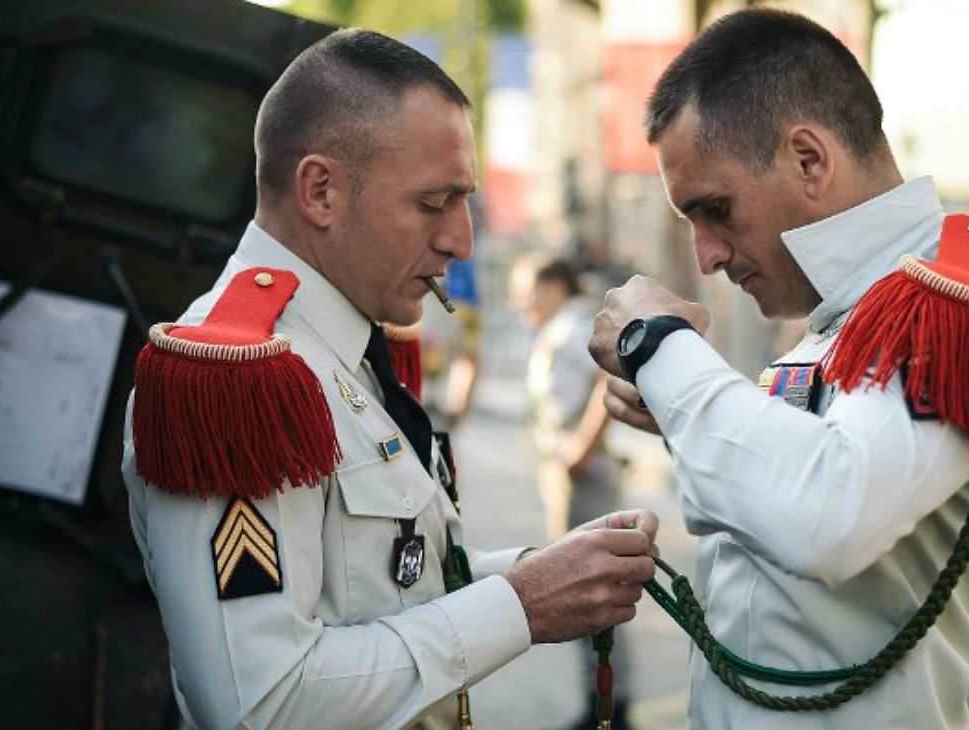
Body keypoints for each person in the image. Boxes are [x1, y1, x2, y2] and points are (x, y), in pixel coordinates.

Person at [121, 29, 657, 730]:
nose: (460, 241)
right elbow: (259, 703)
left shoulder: (348, 346)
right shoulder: (236, 379)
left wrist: (547, 571)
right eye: (434, 203)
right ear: (320, 191)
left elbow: (388, 583)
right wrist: (519, 605)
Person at [587, 9, 969, 730]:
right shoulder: (856, 313)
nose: (705, 254)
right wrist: (684, 410)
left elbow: (827, 516)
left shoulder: (950, 307)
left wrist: (658, 346)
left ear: (809, 159)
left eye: (715, 209)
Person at [508, 255, 634, 729]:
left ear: (556, 285)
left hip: (587, 475)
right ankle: (600, 701)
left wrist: (582, 444)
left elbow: (611, 374)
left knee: (599, 592)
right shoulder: (557, 326)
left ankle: (612, 708)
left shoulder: (581, 325)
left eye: (528, 292)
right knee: (584, 594)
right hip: (565, 474)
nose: (523, 303)